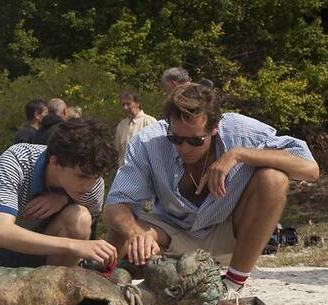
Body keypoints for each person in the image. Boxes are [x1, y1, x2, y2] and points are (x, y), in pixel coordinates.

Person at [103, 83, 319, 293]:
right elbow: (115, 205)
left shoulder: (241, 132)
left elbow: (310, 169)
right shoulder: (147, 141)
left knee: (274, 179)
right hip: (171, 231)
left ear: (215, 128)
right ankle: (101, 288)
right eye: (176, 138)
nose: (184, 148)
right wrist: (135, 234)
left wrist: (238, 154)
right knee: (120, 230)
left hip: (228, 231)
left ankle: (233, 285)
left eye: (195, 141)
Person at [0, 117, 118, 277]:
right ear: (54, 161)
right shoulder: (17, 160)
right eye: (82, 177)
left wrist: (64, 199)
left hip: (46, 255)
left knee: (80, 218)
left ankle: (55, 302)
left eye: (95, 178)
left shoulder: (93, 181)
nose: (89, 186)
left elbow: (86, 228)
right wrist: (73, 245)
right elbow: (1, 233)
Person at [114, 91, 157, 163]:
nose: (125, 108)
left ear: (137, 104)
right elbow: (119, 151)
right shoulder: (121, 125)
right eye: (123, 105)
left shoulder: (150, 122)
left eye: (128, 104)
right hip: (125, 170)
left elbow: (157, 149)